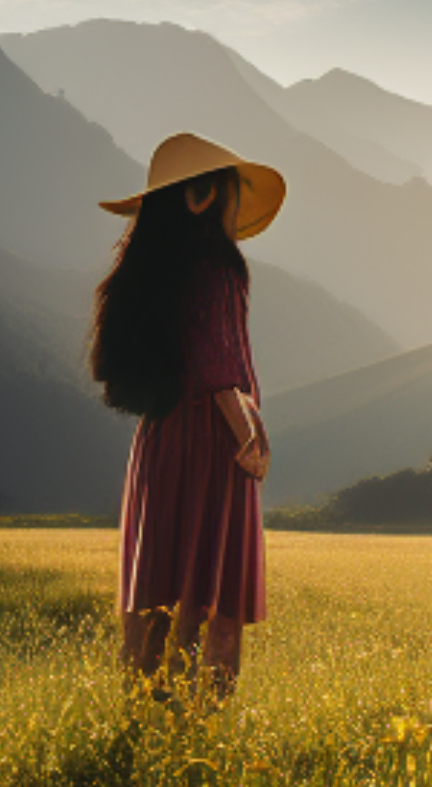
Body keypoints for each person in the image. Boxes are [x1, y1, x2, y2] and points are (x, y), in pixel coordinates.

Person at [90, 132, 286, 694]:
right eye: (229, 190)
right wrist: (250, 438)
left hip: (161, 439)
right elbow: (219, 365)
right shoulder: (217, 267)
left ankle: (144, 711)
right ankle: (203, 727)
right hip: (211, 437)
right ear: (201, 196)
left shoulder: (151, 267)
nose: (234, 203)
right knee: (212, 587)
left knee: (160, 582)